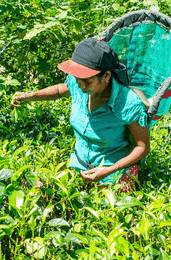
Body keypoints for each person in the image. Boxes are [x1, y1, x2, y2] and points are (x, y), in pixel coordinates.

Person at [12, 37, 149, 190]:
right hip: (79, 165)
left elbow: (142, 147)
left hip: (112, 171)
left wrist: (108, 171)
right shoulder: (78, 85)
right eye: (77, 79)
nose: (80, 85)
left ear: (106, 76)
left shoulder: (128, 103)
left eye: (87, 81)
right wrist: (29, 96)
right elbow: (59, 91)